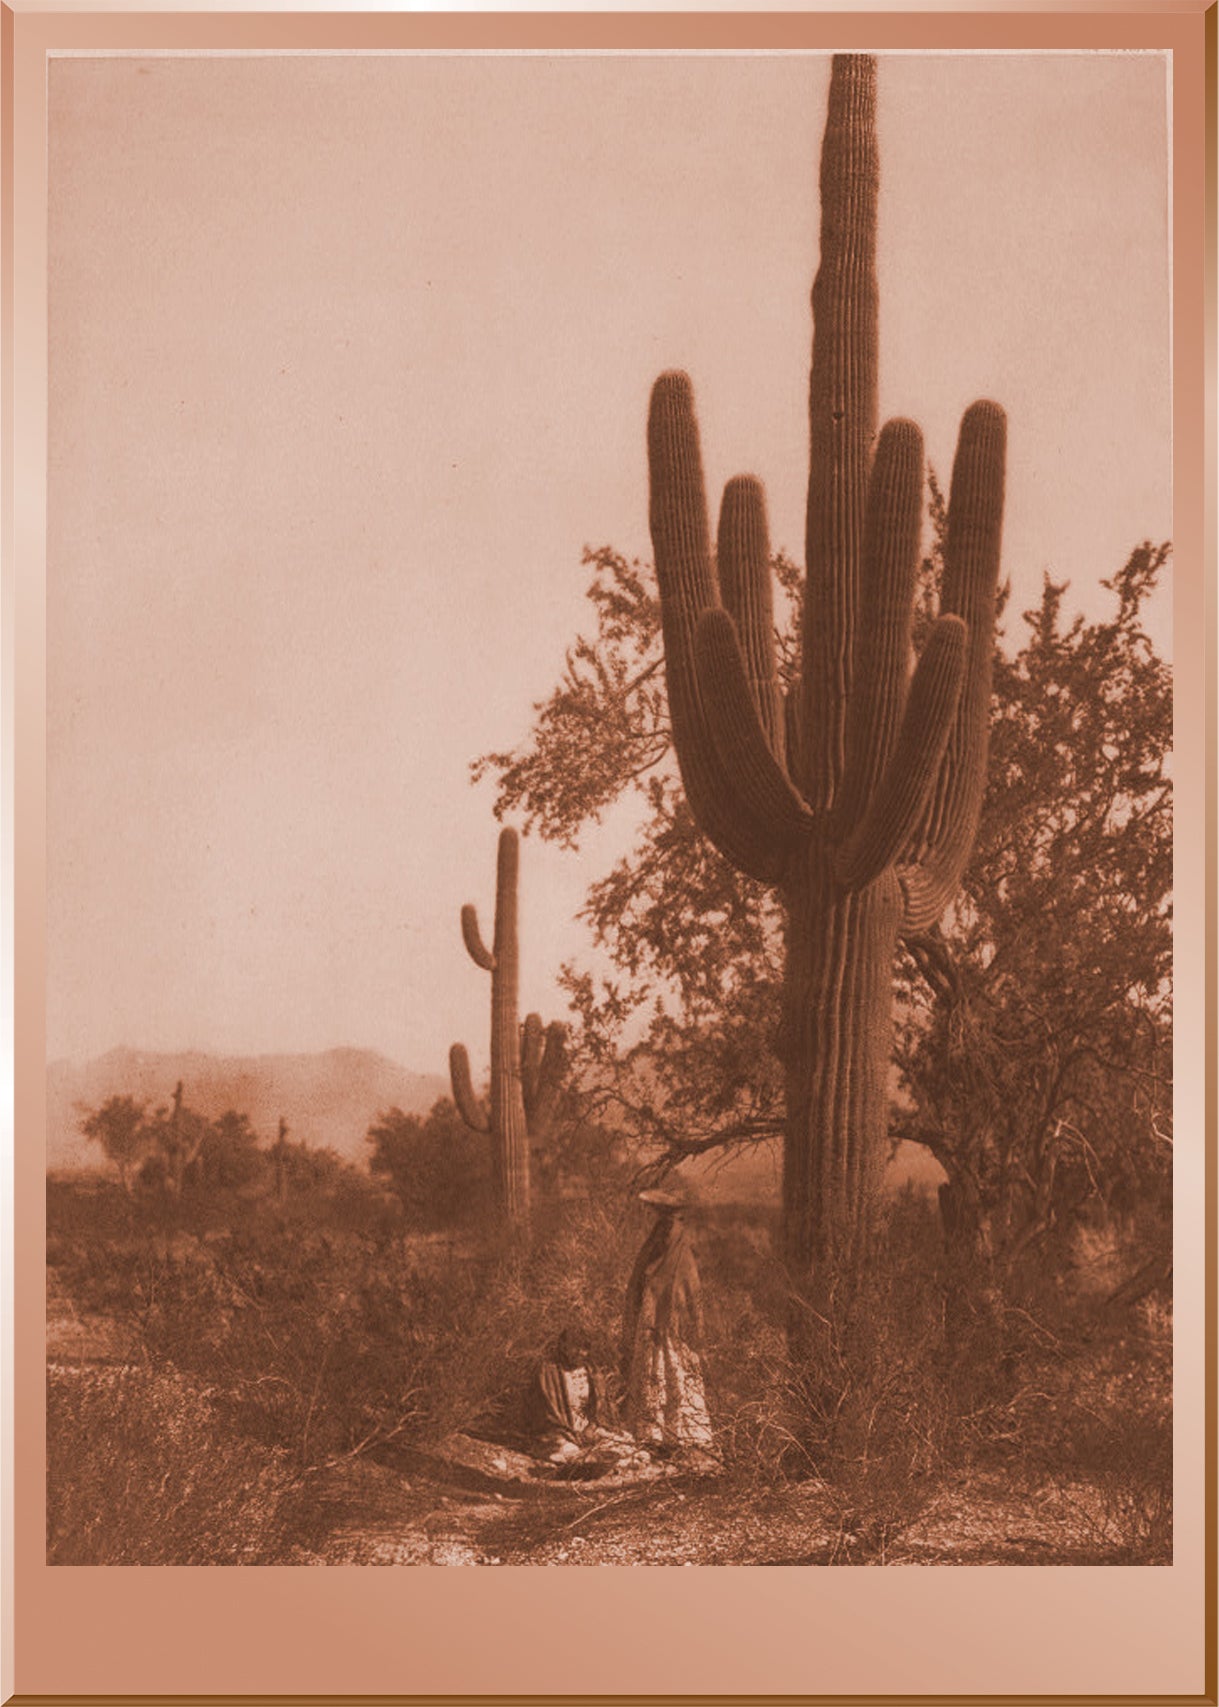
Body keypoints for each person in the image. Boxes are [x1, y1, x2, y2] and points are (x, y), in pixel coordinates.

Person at [622, 1184, 716, 1458]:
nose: (665, 1230)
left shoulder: (683, 1255)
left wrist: (696, 1336)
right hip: (652, 1329)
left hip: (675, 1334)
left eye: (669, 1221)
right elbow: (639, 1286)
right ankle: (655, 1438)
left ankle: (681, 1439)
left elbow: (693, 1298)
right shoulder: (654, 1249)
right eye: (661, 1221)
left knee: (676, 1378)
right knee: (656, 1376)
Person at [526, 1326, 626, 1465]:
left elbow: (599, 1410)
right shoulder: (548, 1372)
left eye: (584, 1349)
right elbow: (543, 1414)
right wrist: (568, 1432)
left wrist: (591, 1427)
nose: (580, 1353)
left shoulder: (592, 1373)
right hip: (558, 1433)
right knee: (570, 1451)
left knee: (622, 1445)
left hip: (588, 1431)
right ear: (563, 1347)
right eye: (574, 1347)